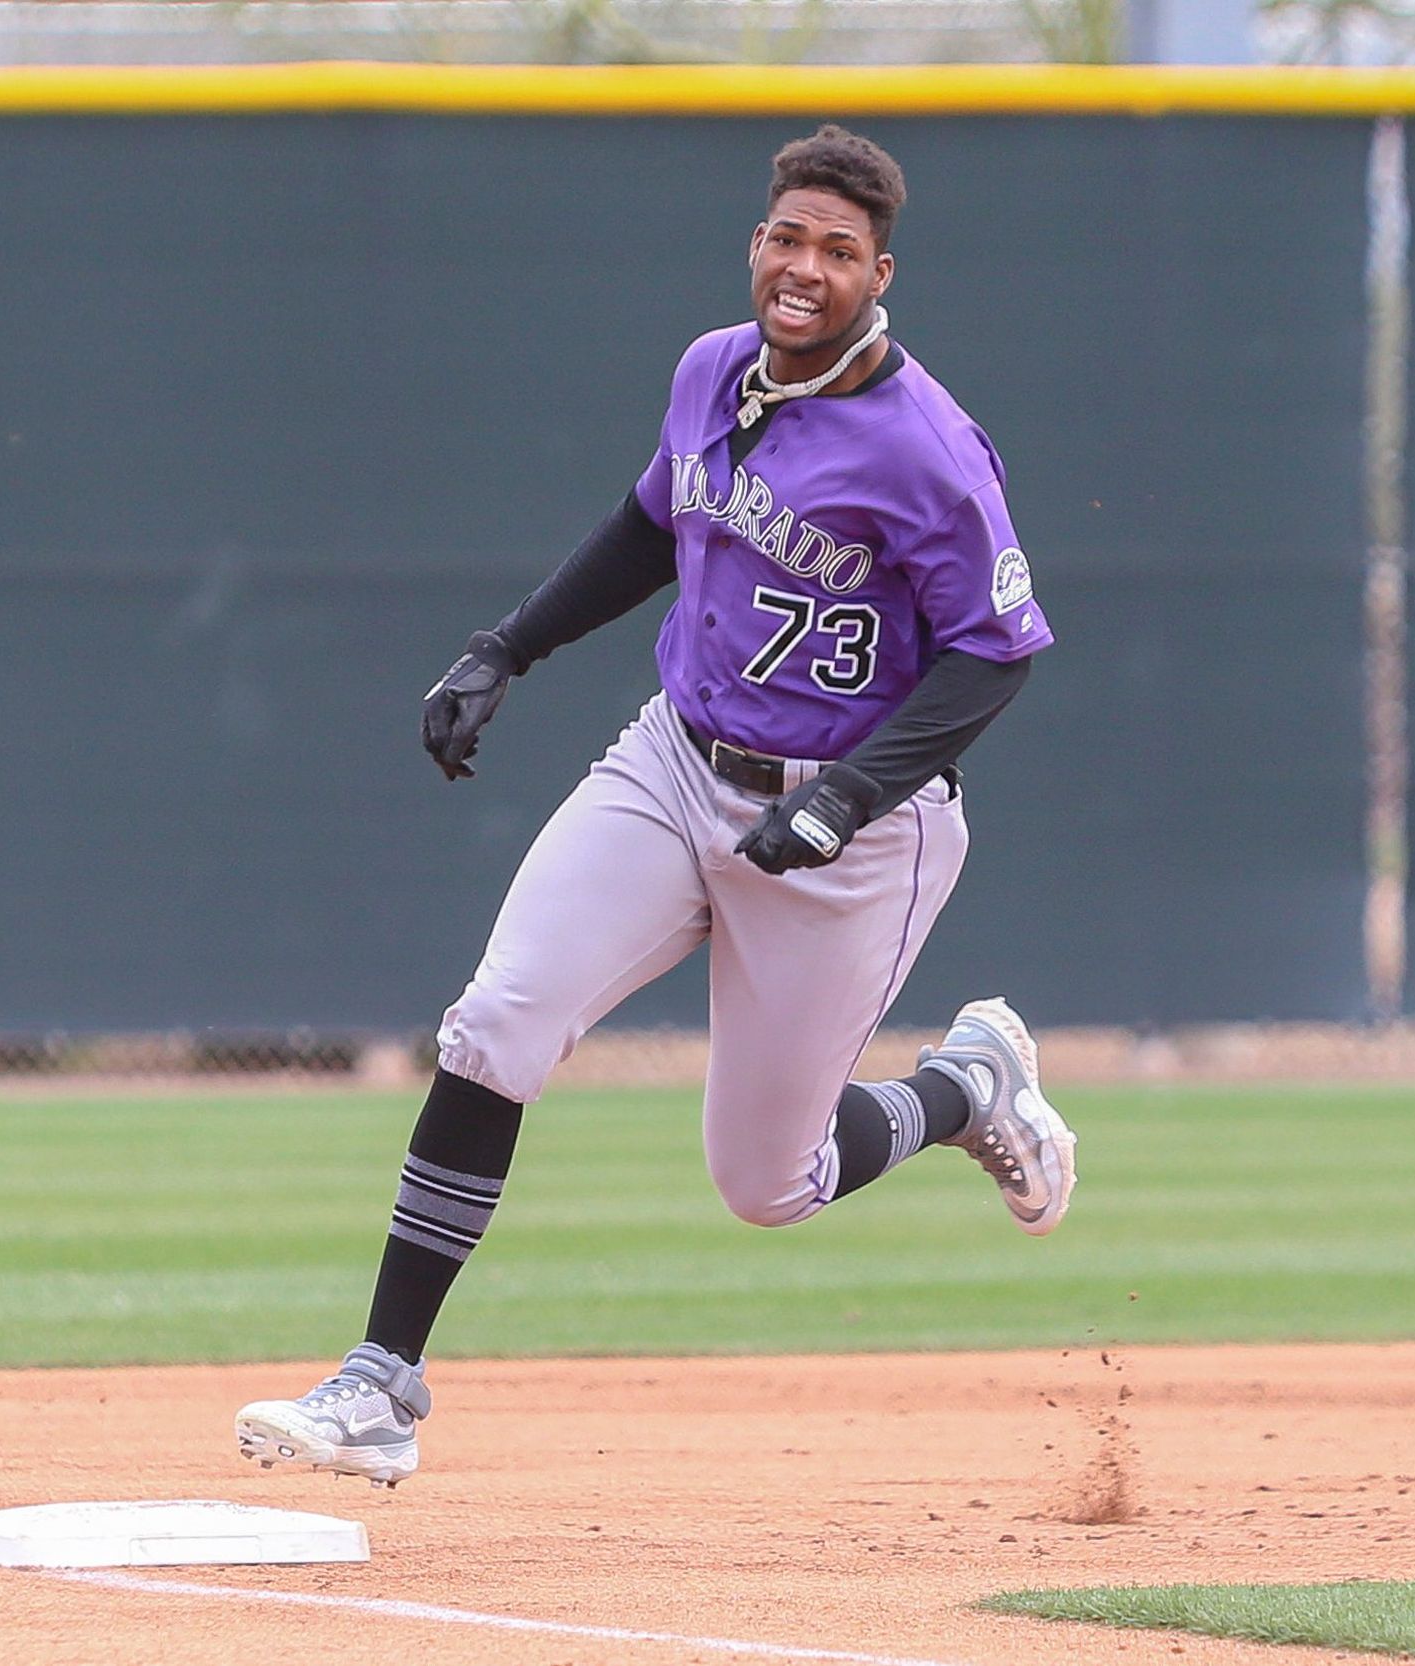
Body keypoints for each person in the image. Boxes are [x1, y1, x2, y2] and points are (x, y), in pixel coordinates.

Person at [234, 124, 1075, 1488]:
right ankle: (380, 1381)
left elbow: (997, 648)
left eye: (838, 251)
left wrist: (852, 798)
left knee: (768, 1182)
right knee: (496, 1022)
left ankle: (967, 1084)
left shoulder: (928, 447)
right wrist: (507, 645)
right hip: (674, 760)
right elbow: (651, 523)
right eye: (787, 237)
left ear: (882, 275)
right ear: (759, 243)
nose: (805, 267)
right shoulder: (712, 371)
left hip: (851, 832)